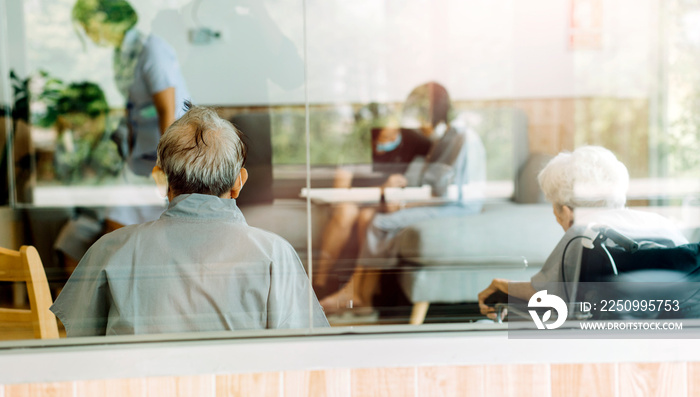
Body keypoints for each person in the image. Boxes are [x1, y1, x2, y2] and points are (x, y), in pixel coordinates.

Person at [50, 103, 329, 336]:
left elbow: (81, 350)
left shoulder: (109, 250)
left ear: (161, 181)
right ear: (238, 183)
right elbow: (303, 354)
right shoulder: (274, 255)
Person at [319, 82, 487, 313]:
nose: (415, 126)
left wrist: (406, 203)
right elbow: (435, 183)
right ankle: (360, 296)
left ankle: (356, 292)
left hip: (459, 205)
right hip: (445, 200)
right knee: (374, 218)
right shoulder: (446, 136)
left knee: (380, 222)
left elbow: (449, 192)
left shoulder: (459, 138)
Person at [477, 146, 689, 319]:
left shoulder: (583, 235)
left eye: (555, 210)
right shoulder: (663, 225)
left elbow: (548, 295)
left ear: (567, 212)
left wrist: (503, 287)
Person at [72, 0, 191, 228]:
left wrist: (166, 166)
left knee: (129, 223)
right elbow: (132, 107)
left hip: (165, 156)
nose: (87, 33)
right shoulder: (121, 54)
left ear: (105, 19)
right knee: (116, 221)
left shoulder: (150, 49)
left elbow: (168, 111)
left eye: (87, 25)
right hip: (141, 156)